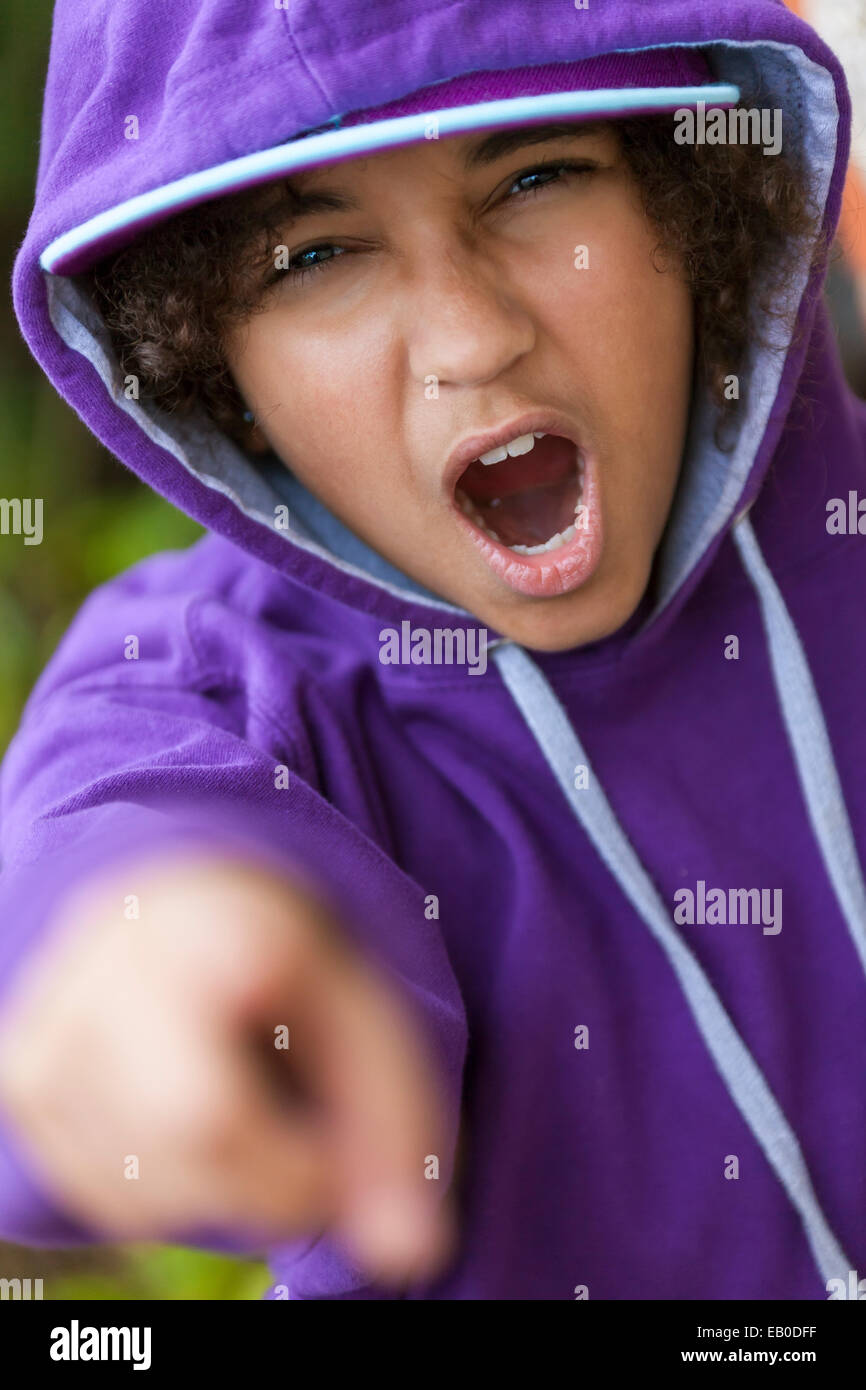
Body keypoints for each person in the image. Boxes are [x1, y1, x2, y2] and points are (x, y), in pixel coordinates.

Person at [2, 0, 865, 1300]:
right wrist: (154, 955)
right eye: (310, 257)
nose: (472, 337)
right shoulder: (212, 688)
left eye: (534, 175)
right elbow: (117, 843)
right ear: (205, 356)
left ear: (690, 194)